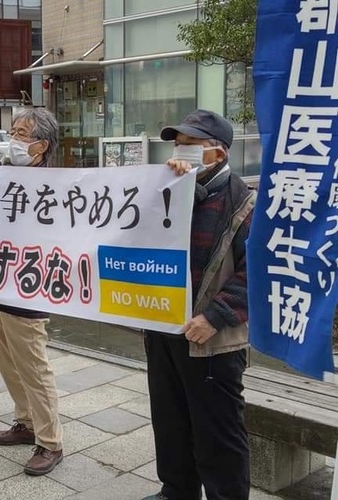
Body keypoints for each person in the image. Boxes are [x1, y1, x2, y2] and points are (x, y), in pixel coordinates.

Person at [142, 110, 254, 500]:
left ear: (218, 154)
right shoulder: (169, 190)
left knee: (218, 433)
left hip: (211, 337)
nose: (179, 151)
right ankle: (176, 490)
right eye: (177, 144)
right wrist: (170, 186)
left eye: (190, 145)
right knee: (170, 421)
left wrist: (215, 315)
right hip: (163, 329)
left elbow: (257, 272)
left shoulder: (244, 202)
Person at [0, 108, 63, 476]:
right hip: (0, 281)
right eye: (12, 131)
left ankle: (50, 441)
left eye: (22, 134)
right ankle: (26, 422)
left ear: (41, 145)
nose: (13, 139)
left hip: (30, 287)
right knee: (7, 360)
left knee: (33, 366)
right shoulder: (4, 175)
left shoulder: (53, 185)